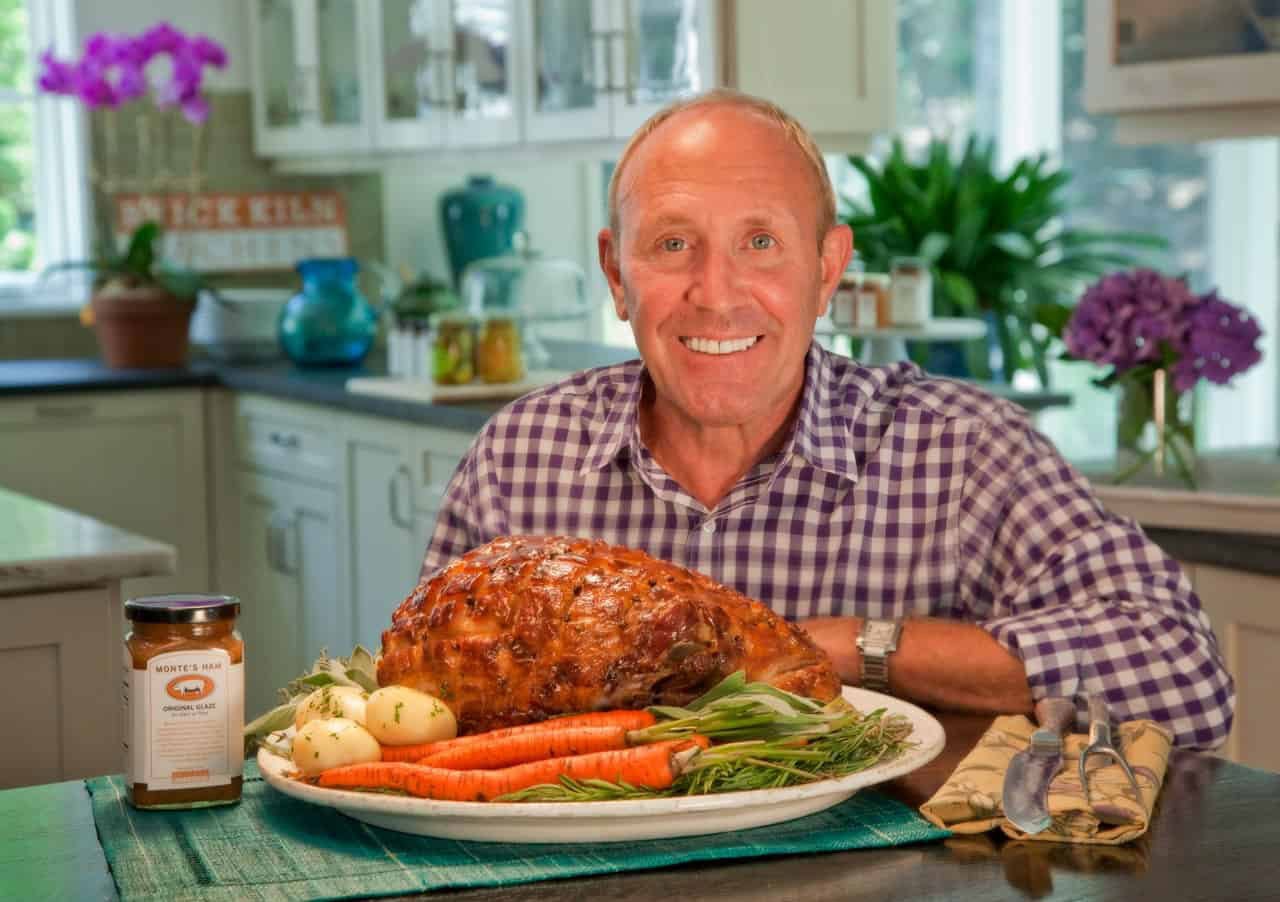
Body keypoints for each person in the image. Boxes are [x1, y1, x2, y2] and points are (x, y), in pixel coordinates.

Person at [421, 89, 1234, 750]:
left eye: (761, 242)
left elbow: (1182, 670)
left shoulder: (959, 449)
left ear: (827, 268)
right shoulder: (520, 455)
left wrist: (852, 648)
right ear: (615, 272)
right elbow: (420, 707)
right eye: (673, 244)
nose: (716, 291)